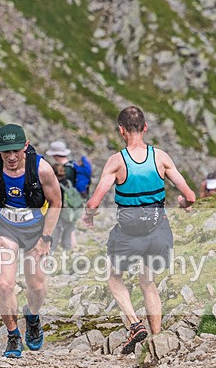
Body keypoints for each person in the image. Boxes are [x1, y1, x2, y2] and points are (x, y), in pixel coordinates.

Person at [83, 106, 196, 354]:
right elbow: (190, 196)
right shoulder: (161, 158)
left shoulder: (116, 162)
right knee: (148, 282)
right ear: (145, 128)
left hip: (129, 234)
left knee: (114, 278)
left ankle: (135, 324)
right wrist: (183, 204)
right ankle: (157, 341)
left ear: (121, 131)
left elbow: (93, 203)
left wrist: (89, 217)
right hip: (158, 231)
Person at [0, 124, 61, 358]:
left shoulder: (42, 169)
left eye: (16, 151)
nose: (11, 157)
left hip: (35, 231)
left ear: (26, 146)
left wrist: (46, 238)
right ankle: (13, 335)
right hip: (4, 228)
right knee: (4, 284)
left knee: (37, 286)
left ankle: (32, 316)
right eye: (5, 152)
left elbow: (56, 202)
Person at [51, 163, 80, 253]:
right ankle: (67, 255)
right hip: (71, 212)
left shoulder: (55, 185)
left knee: (55, 234)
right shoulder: (68, 182)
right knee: (68, 233)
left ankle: (50, 254)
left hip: (61, 213)